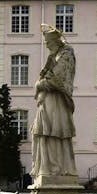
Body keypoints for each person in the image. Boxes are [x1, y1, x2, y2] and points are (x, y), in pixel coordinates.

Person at [30, 24, 77, 178]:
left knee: (53, 131)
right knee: (44, 132)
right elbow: (47, 76)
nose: (47, 46)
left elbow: (57, 79)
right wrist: (41, 82)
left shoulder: (66, 55)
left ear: (56, 42)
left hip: (56, 101)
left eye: (48, 43)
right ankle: (45, 167)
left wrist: (39, 85)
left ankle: (56, 167)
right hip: (47, 101)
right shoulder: (54, 57)